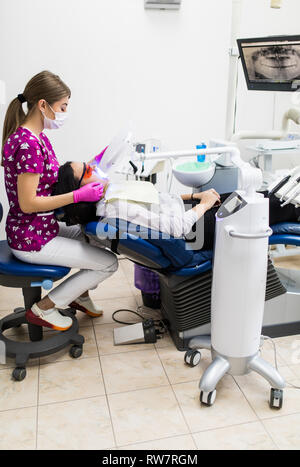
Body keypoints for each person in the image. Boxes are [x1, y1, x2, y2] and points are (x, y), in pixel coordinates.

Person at [1, 71, 118, 331]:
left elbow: (52, 181)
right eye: (62, 106)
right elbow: (29, 203)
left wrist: (91, 167)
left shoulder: (39, 138)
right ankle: (43, 309)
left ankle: (78, 294)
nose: (65, 112)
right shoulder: (28, 145)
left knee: (96, 237)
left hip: (42, 229)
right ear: (43, 105)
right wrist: (78, 195)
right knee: (109, 264)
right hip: (31, 239)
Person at [55, 161, 300, 251]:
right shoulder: (113, 208)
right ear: (81, 191)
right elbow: (175, 229)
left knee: (252, 194)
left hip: (189, 215)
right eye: (88, 170)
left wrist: (194, 197)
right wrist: (203, 205)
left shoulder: (109, 196)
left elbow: (157, 200)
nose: (94, 167)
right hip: (194, 234)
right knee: (268, 207)